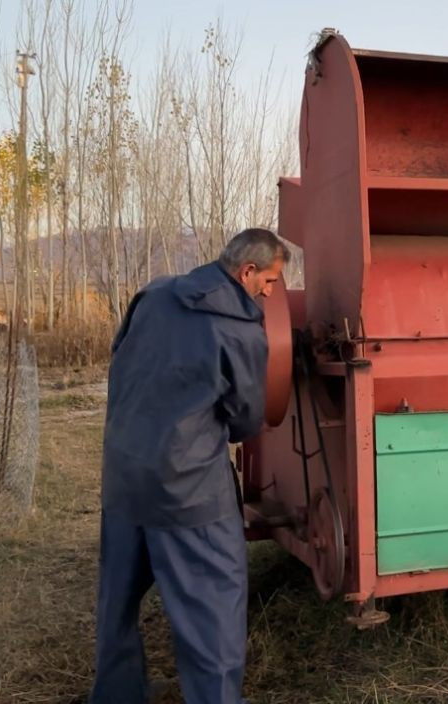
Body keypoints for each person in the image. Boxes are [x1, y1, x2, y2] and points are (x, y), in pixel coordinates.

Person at [90, 228, 288, 704]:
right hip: (188, 493)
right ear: (247, 272)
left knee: (116, 602)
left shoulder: (153, 295)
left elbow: (120, 366)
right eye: (271, 281)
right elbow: (245, 421)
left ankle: (117, 695)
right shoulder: (240, 332)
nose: (271, 292)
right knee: (214, 612)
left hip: (123, 478)